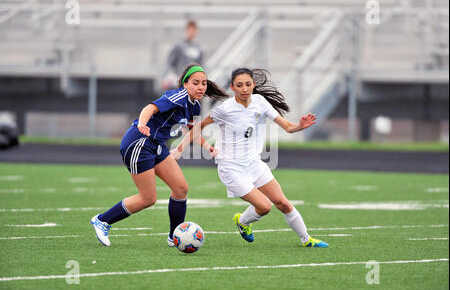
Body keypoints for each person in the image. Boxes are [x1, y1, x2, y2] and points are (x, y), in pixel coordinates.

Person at [171, 68, 328, 248]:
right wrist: (179, 149)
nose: (244, 89)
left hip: (254, 164)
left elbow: (287, 126)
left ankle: (306, 239)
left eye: (248, 84)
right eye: (239, 85)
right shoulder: (225, 109)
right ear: (232, 87)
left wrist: (300, 126)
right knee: (264, 207)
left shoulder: (260, 102)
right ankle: (243, 222)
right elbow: (198, 127)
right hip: (231, 169)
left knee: (282, 203)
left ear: (253, 85)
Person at [90, 64, 228, 247]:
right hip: (139, 143)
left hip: (157, 145)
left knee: (180, 188)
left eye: (203, 83)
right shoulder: (177, 96)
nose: (201, 87)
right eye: (196, 83)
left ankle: (174, 236)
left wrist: (207, 146)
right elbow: (149, 108)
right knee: (148, 198)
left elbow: (192, 131)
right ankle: (102, 220)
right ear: (185, 84)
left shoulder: (194, 106)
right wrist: (142, 124)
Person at [162, 20, 204, 90]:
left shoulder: (199, 49)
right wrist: (165, 78)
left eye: (193, 31)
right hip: (180, 83)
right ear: (186, 31)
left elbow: (201, 67)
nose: (192, 33)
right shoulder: (178, 46)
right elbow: (169, 63)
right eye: (190, 30)